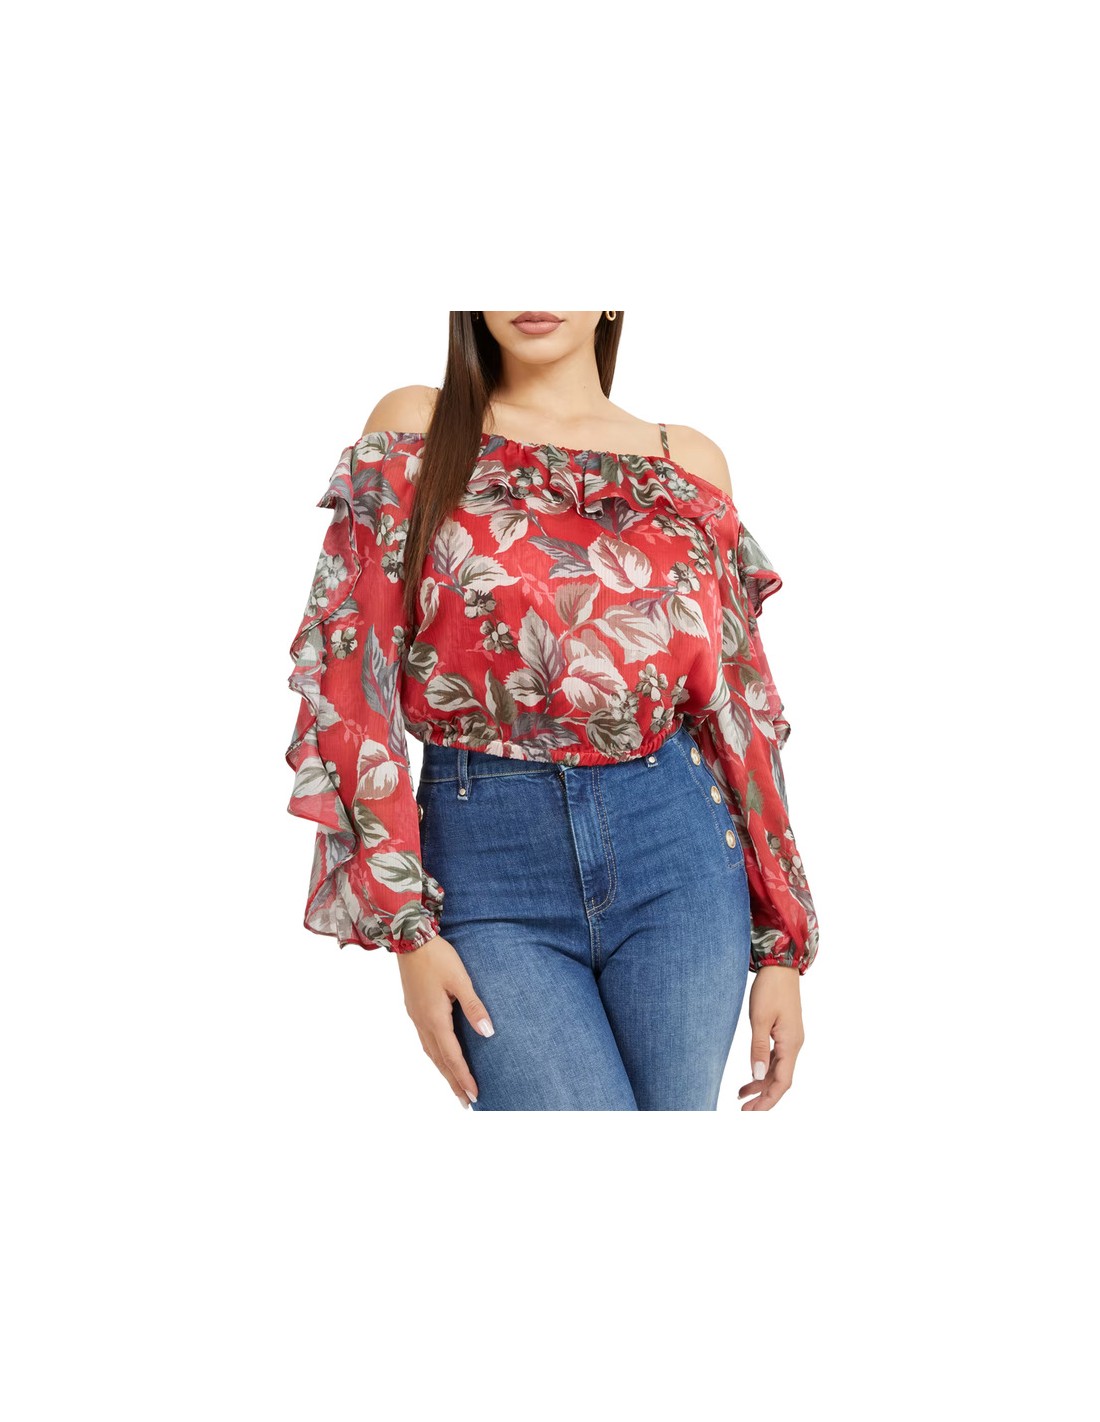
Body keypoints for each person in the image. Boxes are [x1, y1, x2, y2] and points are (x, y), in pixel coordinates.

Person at [285, 310, 818, 1112]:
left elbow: (737, 710)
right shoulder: (417, 426)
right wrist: (408, 930)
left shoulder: (687, 462)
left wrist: (782, 943)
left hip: (679, 858)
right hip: (486, 867)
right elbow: (355, 685)